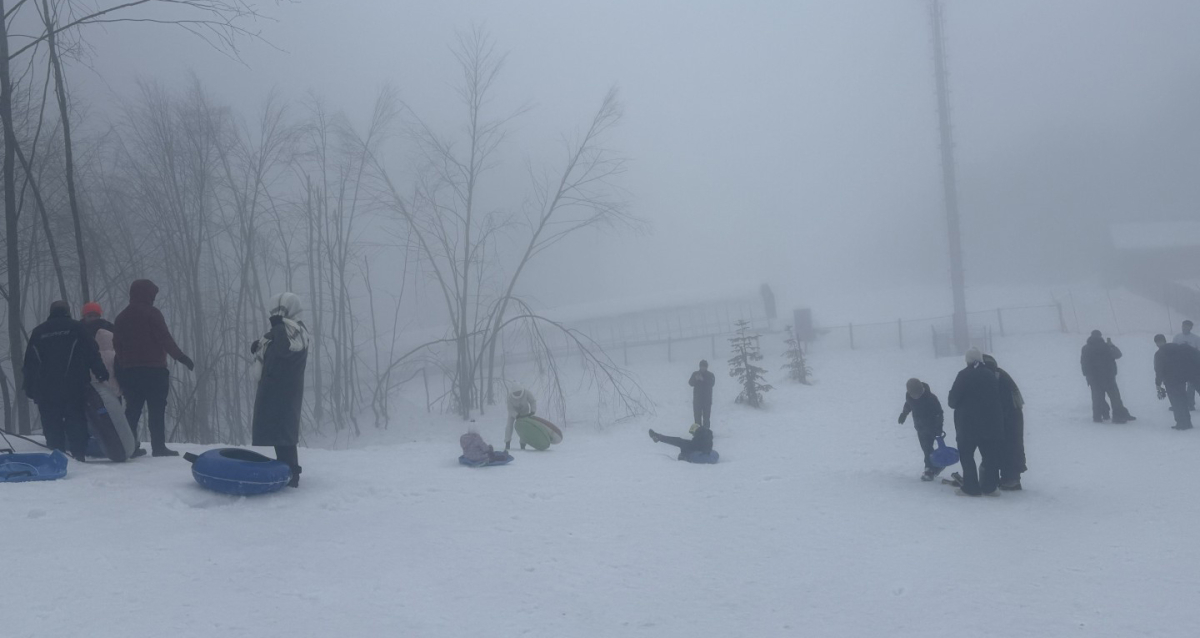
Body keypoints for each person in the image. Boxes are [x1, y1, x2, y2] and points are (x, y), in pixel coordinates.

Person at [113, 279, 194, 457]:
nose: (154, 298)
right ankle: (158, 447)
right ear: (147, 293)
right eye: (153, 294)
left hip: (131, 372)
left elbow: (117, 345)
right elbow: (165, 339)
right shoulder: (152, 314)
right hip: (154, 371)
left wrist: (124, 363)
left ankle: (129, 447)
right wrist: (181, 357)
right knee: (156, 410)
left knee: (132, 411)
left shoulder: (121, 317)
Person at [22, 301, 109, 461]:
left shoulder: (39, 331)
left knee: (51, 421)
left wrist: (29, 388)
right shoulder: (77, 328)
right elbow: (92, 352)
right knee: (76, 419)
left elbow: (29, 362)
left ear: (51, 312)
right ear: (67, 312)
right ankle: (78, 454)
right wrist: (100, 372)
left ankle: (57, 453)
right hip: (74, 385)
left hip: (46, 388)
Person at [250, 293, 308, 487]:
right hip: (276, 388)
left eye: (279, 309)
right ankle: (288, 471)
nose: (275, 314)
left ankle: (292, 473)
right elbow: (275, 349)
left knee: (284, 432)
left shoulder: (294, 330)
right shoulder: (287, 330)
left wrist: (276, 328)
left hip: (284, 390)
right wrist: (260, 346)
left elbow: (283, 352)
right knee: (279, 432)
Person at [947, 347, 1005, 496]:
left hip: (967, 425)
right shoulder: (990, 375)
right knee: (989, 456)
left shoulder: (963, 375)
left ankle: (970, 487)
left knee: (967, 456)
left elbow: (952, 401)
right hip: (990, 424)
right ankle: (990, 487)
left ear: (967, 361)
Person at [983, 354, 1027, 491]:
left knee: (1010, 447)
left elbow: (1002, 402)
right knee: (1013, 447)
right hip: (1013, 416)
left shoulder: (997, 378)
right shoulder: (1001, 375)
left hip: (1009, 418)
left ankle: (1011, 479)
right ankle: (1010, 478)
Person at [898, 378, 945, 481]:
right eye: (913, 395)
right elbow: (908, 405)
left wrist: (939, 427)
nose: (916, 397)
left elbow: (938, 413)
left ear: (921, 390)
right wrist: (904, 414)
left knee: (928, 448)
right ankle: (933, 466)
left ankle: (931, 468)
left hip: (932, 427)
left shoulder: (930, 398)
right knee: (926, 448)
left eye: (918, 394)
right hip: (920, 427)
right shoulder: (910, 398)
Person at [1080, 330, 1133, 424]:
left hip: (1094, 378)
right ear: (1100, 336)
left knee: (1097, 398)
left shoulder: (1086, 348)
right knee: (1115, 397)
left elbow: (1084, 363)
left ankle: (1097, 417)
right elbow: (1118, 354)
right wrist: (1112, 345)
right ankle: (1118, 417)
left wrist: (1088, 376)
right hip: (1109, 377)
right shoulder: (1106, 347)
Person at [1154, 333, 1200, 431]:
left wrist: (1158, 383)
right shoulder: (1179, 348)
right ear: (1165, 340)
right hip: (1182, 378)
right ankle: (1187, 422)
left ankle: (1181, 423)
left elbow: (1159, 370)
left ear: (1156, 343)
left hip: (1170, 381)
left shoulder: (1159, 354)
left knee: (1176, 402)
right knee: (1183, 399)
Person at [81, 302, 120, 396]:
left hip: (92, 371)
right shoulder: (110, 327)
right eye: (90, 316)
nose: (93, 318)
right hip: (108, 370)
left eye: (95, 315)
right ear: (84, 316)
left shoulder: (79, 329)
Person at [1173, 321, 1200, 410]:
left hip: (1192, 366)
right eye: (1184, 326)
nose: (1185, 328)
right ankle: (1181, 404)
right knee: (1179, 386)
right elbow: (1173, 351)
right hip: (1180, 366)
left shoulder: (1196, 339)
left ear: (1190, 328)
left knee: (1192, 386)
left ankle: (1190, 404)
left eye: (1187, 326)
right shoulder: (1177, 337)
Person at [648, 423, 714, 459]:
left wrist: (684, 454)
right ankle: (659, 437)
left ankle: (659, 437)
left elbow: (695, 446)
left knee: (679, 441)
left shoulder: (700, 433)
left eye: (693, 433)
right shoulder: (706, 433)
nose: (693, 435)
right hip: (701, 449)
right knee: (680, 441)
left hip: (699, 450)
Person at [504, 386, 538, 451]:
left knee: (524, 428)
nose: (517, 394)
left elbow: (532, 401)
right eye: (516, 393)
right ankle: (507, 443)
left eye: (518, 392)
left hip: (524, 412)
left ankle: (523, 445)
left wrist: (533, 411)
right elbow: (510, 409)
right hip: (513, 413)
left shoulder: (527, 393)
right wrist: (516, 415)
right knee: (509, 426)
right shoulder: (509, 397)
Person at [689, 360, 716, 428]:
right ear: (699, 367)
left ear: (707, 367)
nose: (703, 368)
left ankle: (706, 432)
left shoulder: (710, 375)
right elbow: (690, 383)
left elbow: (712, 384)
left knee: (706, 417)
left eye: (704, 366)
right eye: (701, 366)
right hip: (697, 400)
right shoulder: (695, 374)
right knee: (697, 417)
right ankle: (698, 432)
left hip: (707, 400)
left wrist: (703, 379)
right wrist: (695, 379)